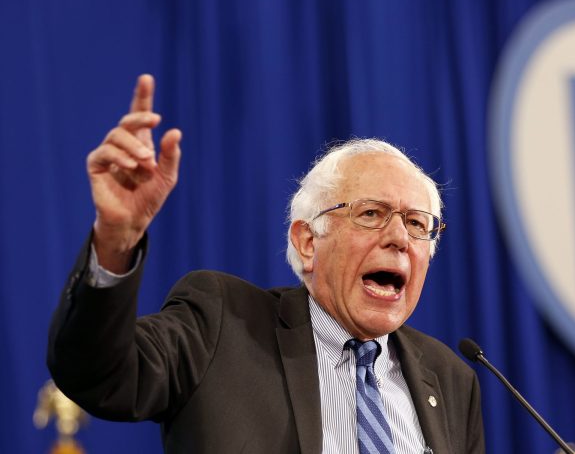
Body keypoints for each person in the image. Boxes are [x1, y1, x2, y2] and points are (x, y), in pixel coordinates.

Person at [47, 74, 485, 453]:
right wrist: (115, 239)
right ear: (308, 241)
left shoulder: (450, 379)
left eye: (416, 223)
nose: (399, 238)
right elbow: (97, 373)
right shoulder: (222, 325)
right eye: (371, 214)